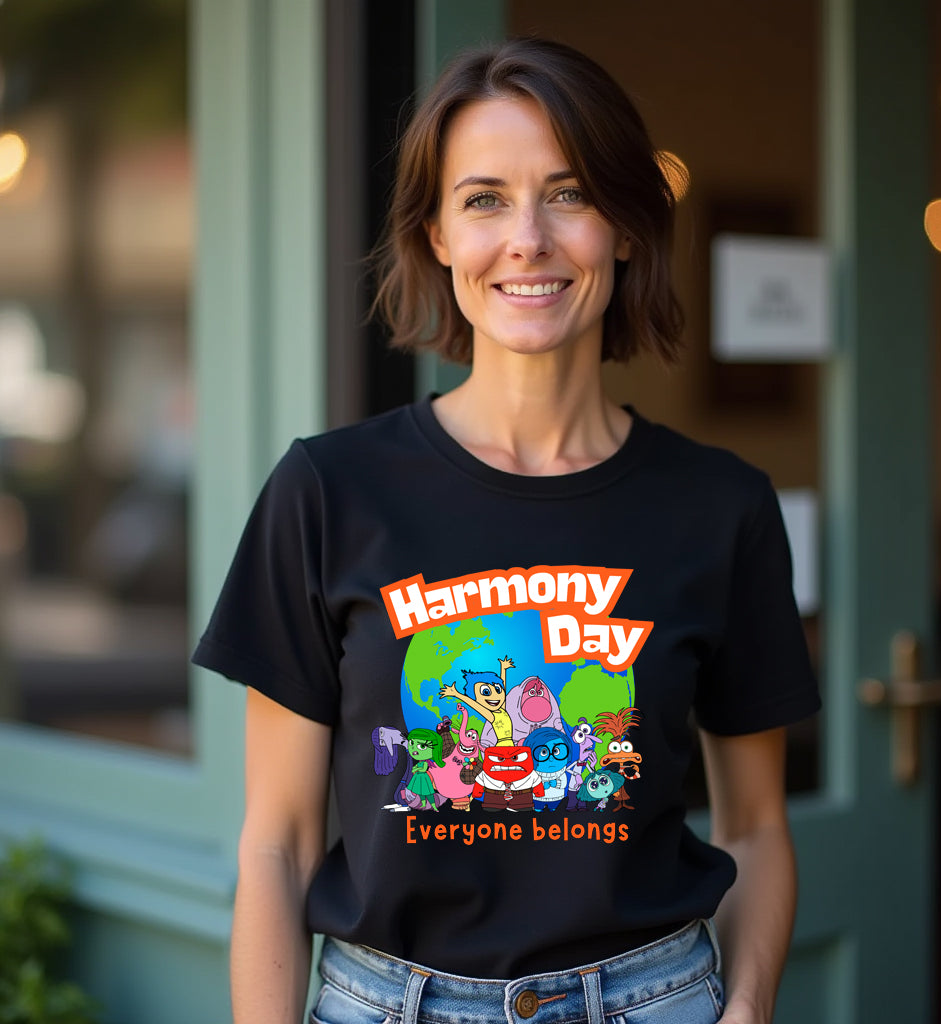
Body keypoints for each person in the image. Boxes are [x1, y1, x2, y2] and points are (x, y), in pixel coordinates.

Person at [193, 37, 820, 1024]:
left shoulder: (720, 507)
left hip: (651, 999)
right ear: (437, 234)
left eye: (567, 193)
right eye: (484, 198)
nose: (527, 237)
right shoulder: (327, 490)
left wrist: (743, 1008)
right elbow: (275, 840)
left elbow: (754, 826)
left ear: (622, 226)